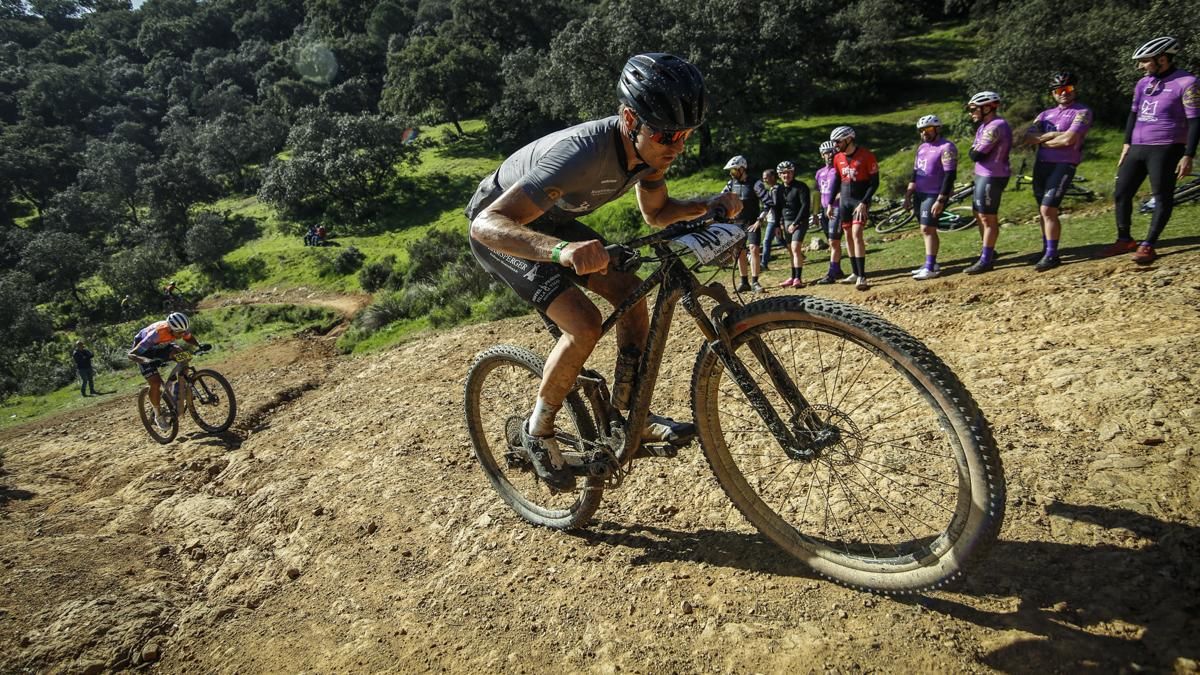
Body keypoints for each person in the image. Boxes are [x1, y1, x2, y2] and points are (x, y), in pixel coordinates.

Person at [466, 53, 739, 492]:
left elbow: (657, 214)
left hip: (551, 220)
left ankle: (632, 415)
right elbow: (486, 226)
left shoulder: (651, 153)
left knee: (631, 293)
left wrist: (706, 206)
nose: (677, 147)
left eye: (686, 135)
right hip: (503, 227)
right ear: (631, 119)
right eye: (668, 134)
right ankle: (538, 431)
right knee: (584, 323)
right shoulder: (580, 155)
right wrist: (561, 250)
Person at [1101, 37, 1198, 265]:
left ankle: (1149, 244)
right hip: (1137, 146)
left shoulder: (1188, 82)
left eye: (1144, 61)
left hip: (1166, 147)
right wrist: (1126, 144)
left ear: (1162, 59)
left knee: (1161, 196)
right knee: (1121, 193)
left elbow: (1195, 121)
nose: (1140, 66)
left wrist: (1188, 155)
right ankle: (1124, 239)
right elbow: (1133, 114)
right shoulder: (1143, 83)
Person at [1019, 72, 1093, 271]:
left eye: (1067, 89)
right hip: (1042, 164)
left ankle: (1052, 255)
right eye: (1059, 90)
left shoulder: (1082, 111)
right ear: (1053, 94)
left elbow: (1069, 140)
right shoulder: (1045, 114)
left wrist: (1044, 139)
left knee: (1048, 209)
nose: (1064, 93)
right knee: (1042, 210)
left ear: (1074, 89)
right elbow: (1028, 137)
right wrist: (1052, 135)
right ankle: (1046, 249)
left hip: (1064, 164)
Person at [128, 312, 207, 431]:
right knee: (155, 383)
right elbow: (132, 354)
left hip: (161, 347)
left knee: (185, 357)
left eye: (183, 332)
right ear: (170, 329)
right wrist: (147, 361)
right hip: (144, 353)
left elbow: (189, 337)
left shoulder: (180, 328)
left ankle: (178, 389)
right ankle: (157, 415)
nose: (182, 335)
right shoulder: (156, 334)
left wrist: (199, 345)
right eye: (179, 333)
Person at [822, 126, 878, 291]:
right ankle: (854, 272)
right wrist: (831, 203)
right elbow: (837, 182)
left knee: (857, 234)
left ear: (849, 139)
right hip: (845, 201)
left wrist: (864, 202)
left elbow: (874, 183)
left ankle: (862, 275)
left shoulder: (866, 155)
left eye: (838, 141)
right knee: (848, 237)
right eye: (834, 142)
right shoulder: (837, 157)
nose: (835, 145)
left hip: (859, 201)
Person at [903, 114, 958, 280]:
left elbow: (950, 175)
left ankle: (931, 267)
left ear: (937, 129)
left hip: (934, 193)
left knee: (927, 228)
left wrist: (942, 199)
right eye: (921, 130)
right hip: (919, 192)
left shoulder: (947, 147)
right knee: (925, 228)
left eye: (927, 129)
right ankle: (931, 262)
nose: (924, 133)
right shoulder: (922, 147)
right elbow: (915, 173)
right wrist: (908, 194)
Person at [964, 91, 1012, 275]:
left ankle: (986, 260)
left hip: (993, 175)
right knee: (978, 213)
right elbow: (974, 152)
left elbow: (976, 154)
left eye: (973, 109)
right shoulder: (984, 126)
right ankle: (989, 251)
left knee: (987, 217)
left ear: (987, 108)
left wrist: (975, 150)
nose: (971, 113)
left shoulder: (996, 126)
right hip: (983, 174)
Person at [722, 155, 765, 292]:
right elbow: (721, 199)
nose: (731, 173)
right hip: (736, 223)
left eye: (733, 170)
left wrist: (760, 220)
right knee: (738, 252)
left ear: (742, 169)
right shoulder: (730, 184)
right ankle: (744, 282)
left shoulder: (756, 183)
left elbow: (768, 204)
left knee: (754, 249)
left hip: (752, 222)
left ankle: (755, 282)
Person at [774, 160, 811, 287]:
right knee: (791, 250)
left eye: (789, 173)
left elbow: (805, 206)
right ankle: (793, 276)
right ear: (779, 175)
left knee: (795, 248)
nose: (786, 175)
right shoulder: (779, 189)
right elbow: (777, 207)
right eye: (783, 173)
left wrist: (795, 223)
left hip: (799, 221)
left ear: (793, 173)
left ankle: (798, 279)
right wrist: (777, 225)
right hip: (786, 221)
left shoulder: (801, 187)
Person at [812, 141, 842, 282]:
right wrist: (815, 212)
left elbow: (844, 190)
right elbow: (817, 193)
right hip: (824, 210)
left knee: (833, 241)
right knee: (832, 242)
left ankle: (832, 273)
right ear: (821, 155)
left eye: (832, 152)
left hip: (836, 208)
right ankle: (837, 269)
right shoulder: (819, 173)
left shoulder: (839, 170)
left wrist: (833, 202)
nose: (829, 155)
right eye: (826, 153)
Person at [756, 168, 784, 270]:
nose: (764, 181)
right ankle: (798, 254)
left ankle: (764, 263)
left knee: (766, 241)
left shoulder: (775, 190)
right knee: (780, 240)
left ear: (773, 177)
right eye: (763, 178)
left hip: (774, 219)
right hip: (774, 219)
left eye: (766, 178)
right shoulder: (776, 188)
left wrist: (777, 222)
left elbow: (774, 206)